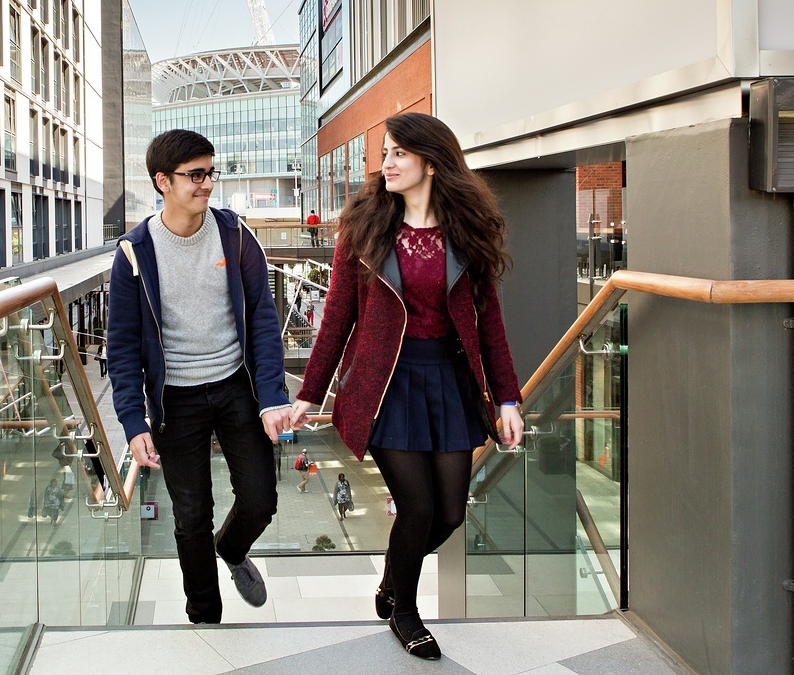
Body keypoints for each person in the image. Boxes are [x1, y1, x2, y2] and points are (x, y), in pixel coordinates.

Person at [291, 112, 524, 661]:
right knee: (416, 506)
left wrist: (508, 398)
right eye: (385, 153)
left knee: (450, 513)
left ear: (432, 162)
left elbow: (489, 323)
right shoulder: (365, 228)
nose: (386, 164)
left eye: (398, 153)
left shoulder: (468, 232)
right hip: (385, 383)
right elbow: (337, 320)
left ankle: (392, 582)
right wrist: (310, 393)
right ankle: (405, 612)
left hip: (449, 381)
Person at [107, 128, 291, 624]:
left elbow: (263, 317)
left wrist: (272, 395)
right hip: (174, 400)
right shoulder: (132, 253)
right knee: (190, 518)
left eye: (211, 172)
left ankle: (231, 550)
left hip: (236, 386)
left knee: (260, 499)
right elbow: (121, 347)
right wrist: (133, 422)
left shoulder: (234, 234)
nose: (207, 183)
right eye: (195, 175)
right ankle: (204, 617)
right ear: (162, 181)